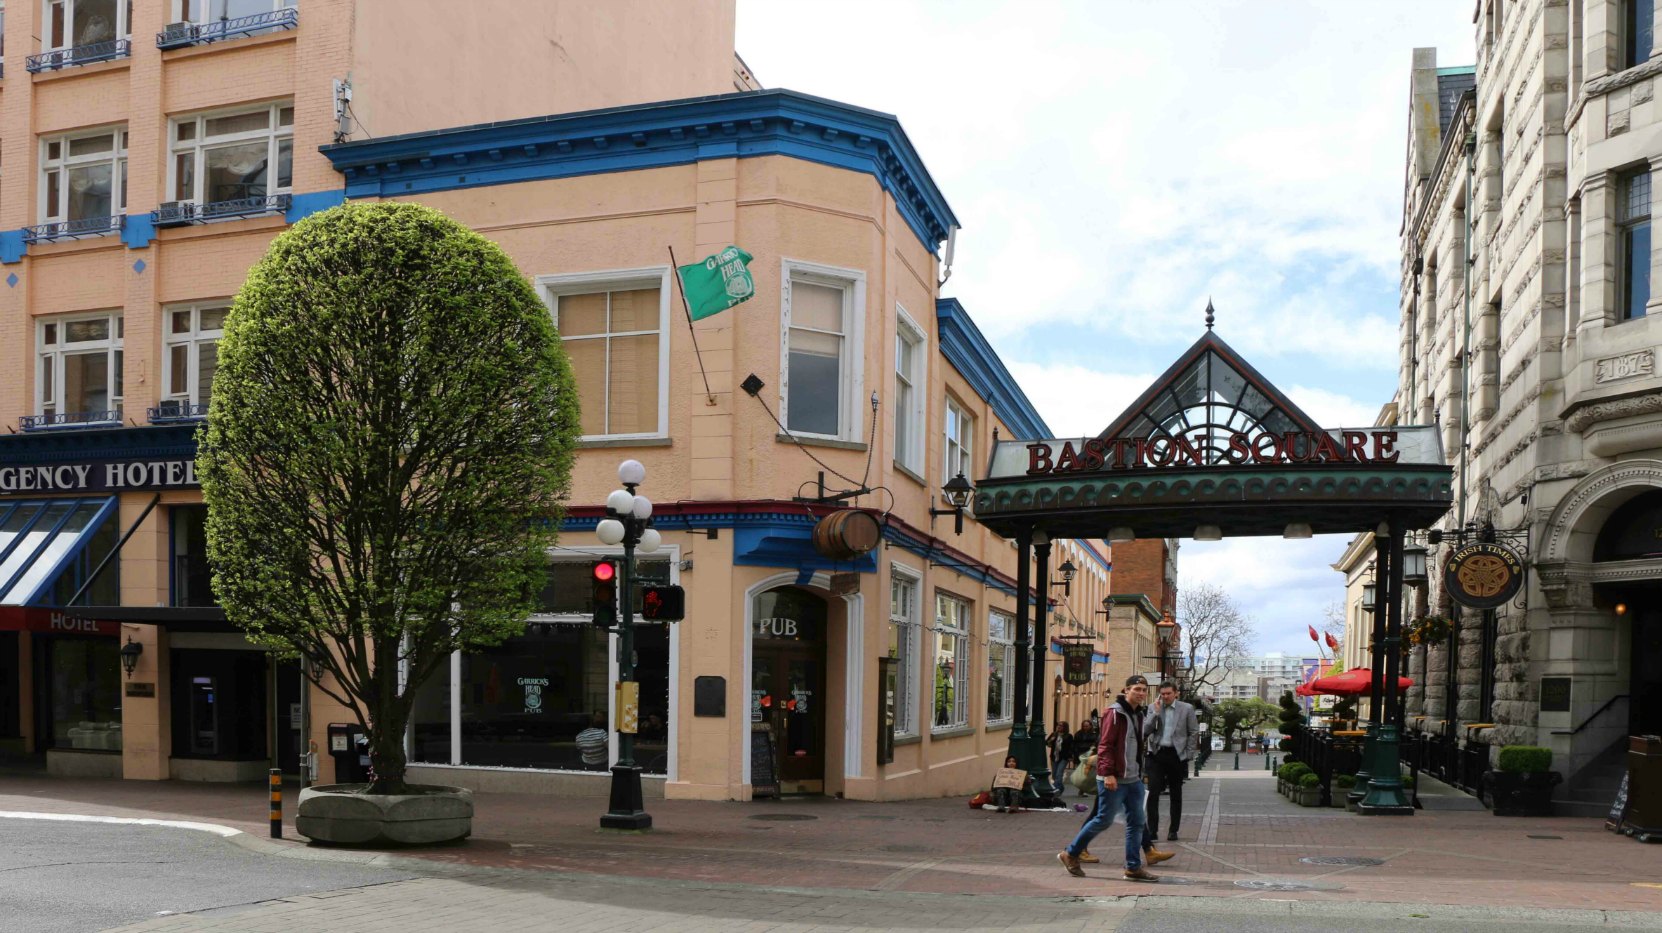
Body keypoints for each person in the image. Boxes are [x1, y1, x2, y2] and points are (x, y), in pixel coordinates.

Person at [1058, 676, 1173, 883]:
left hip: (1133, 778)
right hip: (1114, 778)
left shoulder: (1137, 713)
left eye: (1144, 690)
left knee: (1137, 822)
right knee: (1104, 819)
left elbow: (1139, 740)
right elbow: (1105, 745)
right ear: (1125, 690)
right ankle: (1071, 853)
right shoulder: (1114, 713)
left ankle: (1133, 867)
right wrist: (1108, 773)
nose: (1141, 693)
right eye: (1136, 689)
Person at [1144, 681, 1199, 844]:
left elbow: (1193, 731)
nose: (1165, 696)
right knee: (1152, 793)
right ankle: (1152, 830)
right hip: (1156, 754)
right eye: (1163, 694)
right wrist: (1155, 713)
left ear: (1176, 693)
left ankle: (1173, 830)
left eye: (1168, 693)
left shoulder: (1186, 709)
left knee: (1176, 794)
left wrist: (1188, 754)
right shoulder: (1153, 707)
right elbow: (1145, 731)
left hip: (1176, 755)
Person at [1047, 721, 1075, 795]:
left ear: (1065, 727)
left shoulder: (1069, 736)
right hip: (1054, 756)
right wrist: (1051, 740)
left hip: (1064, 757)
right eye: (1058, 725)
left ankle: (1056, 790)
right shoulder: (1054, 734)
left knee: (1059, 774)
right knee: (1054, 775)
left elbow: (1071, 746)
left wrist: (1070, 756)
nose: (1059, 727)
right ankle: (1061, 787)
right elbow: (1047, 743)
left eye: (1061, 726)